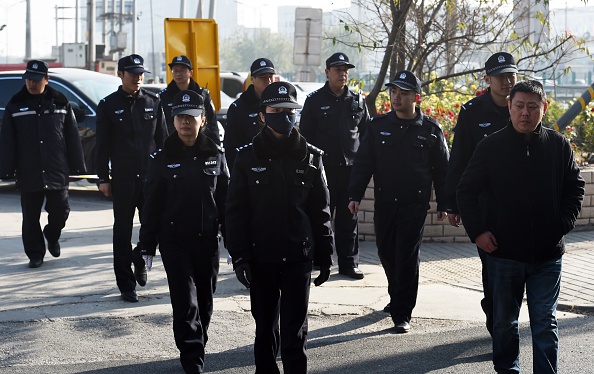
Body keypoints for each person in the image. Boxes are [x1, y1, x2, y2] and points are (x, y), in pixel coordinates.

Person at [456, 80, 585, 373]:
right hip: (503, 253)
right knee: (503, 322)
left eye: (532, 106)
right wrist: (477, 232)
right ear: (510, 107)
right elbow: (465, 190)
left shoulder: (558, 145)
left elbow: (574, 187)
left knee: (544, 323)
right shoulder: (490, 147)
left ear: (544, 108)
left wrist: (562, 223)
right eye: (519, 106)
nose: (525, 113)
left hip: (548, 255)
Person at [226, 81, 334, 373]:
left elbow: (320, 211)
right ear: (263, 114)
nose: (283, 116)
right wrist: (239, 256)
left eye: (289, 111)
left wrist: (326, 255)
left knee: (295, 332)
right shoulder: (246, 157)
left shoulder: (312, 157)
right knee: (265, 331)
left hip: (298, 255)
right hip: (261, 257)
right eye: (276, 110)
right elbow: (235, 212)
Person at [348, 71, 449, 333]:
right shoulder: (378, 126)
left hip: (414, 206)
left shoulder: (431, 131)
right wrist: (354, 196)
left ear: (416, 97)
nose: (397, 97)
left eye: (403, 93)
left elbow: (443, 171)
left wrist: (446, 204)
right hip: (385, 203)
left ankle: (403, 312)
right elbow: (363, 164)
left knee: (406, 256)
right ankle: (396, 296)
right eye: (394, 91)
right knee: (386, 253)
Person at [140, 90, 228, 374]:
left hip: (207, 241)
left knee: (205, 301)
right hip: (174, 242)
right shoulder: (161, 158)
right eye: (180, 117)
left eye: (191, 117)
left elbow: (227, 202)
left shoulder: (216, 155)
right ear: (172, 120)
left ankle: (197, 344)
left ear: (202, 119)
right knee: (185, 301)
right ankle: (192, 360)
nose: (185, 122)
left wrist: (235, 242)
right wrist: (146, 246)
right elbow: (151, 205)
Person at [445, 52, 518, 335]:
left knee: (514, 275)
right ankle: (498, 326)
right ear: (488, 79)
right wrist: (451, 203)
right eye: (501, 77)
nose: (507, 81)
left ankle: (505, 322)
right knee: (493, 271)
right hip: (485, 208)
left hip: (521, 207)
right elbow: (459, 158)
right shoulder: (472, 112)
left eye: (511, 75)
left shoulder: (523, 107)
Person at [96, 54, 168, 303]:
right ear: (120, 75)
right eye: (132, 73)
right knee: (122, 232)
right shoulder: (108, 105)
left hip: (151, 179)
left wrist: (169, 173)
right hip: (124, 180)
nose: (137, 77)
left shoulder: (153, 101)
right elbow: (102, 146)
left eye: (140, 73)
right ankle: (126, 284)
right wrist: (103, 178)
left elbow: (164, 142)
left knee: (157, 227)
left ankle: (139, 257)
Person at [0, 59, 86, 268]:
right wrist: (6, 169)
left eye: (36, 80)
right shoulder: (16, 104)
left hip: (56, 168)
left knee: (61, 211)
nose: (31, 83)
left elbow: (72, 136)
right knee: (30, 217)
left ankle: (52, 233)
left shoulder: (60, 103)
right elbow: (7, 140)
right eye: (28, 79)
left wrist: (78, 166)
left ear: (46, 80)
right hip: (28, 169)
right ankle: (35, 254)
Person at [299, 52, 369, 280]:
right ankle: (321, 260)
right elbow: (305, 138)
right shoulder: (315, 100)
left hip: (350, 169)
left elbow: (366, 135)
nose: (343, 74)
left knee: (349, 218)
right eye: (338, 70)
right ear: (327, 72)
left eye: (346, 70)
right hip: (323, 170)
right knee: (321, 216)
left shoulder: (358, 100)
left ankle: (349, 263)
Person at [223, 57, 275, 172]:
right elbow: (231, 147)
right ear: (252, 79)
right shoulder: (239, 107)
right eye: (263, 78)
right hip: (249, 169)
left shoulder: (279, 104)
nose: (268, 81)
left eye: (270, 77)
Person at [159, 55, 220, 144]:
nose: (178, 74)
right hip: (172, 146)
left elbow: (212, 124)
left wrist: (215, 148)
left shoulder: (203, 95)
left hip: (199, 145)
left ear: (190, 73)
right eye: (175, 70)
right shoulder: (163, 96)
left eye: (182, 70)